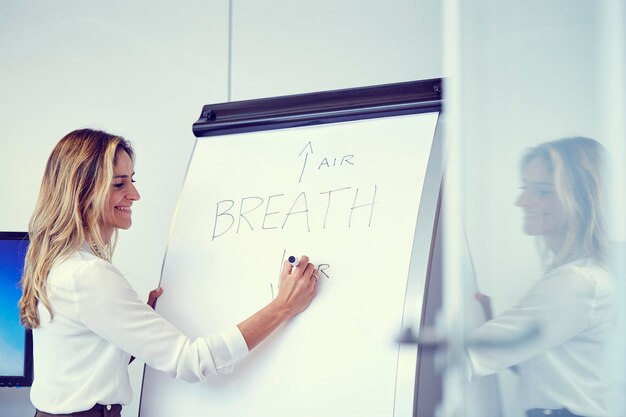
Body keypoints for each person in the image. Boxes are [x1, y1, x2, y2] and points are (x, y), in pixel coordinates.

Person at [18, 129, 319, 417]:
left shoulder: (58, 263)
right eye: (119, 184)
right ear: (82, 190)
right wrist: (282, 306)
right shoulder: (88, 275)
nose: (134, 194)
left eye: (132, 180)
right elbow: (192, 361)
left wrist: (135, 324)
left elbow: (81, 361)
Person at [466, 137, 618, 417]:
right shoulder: (587, 275)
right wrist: (490, 321)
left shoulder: (578, 282)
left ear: (582, 201)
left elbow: (466, 358)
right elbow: (540, 367)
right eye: (525, 187)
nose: (521, 201)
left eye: (543, 191)